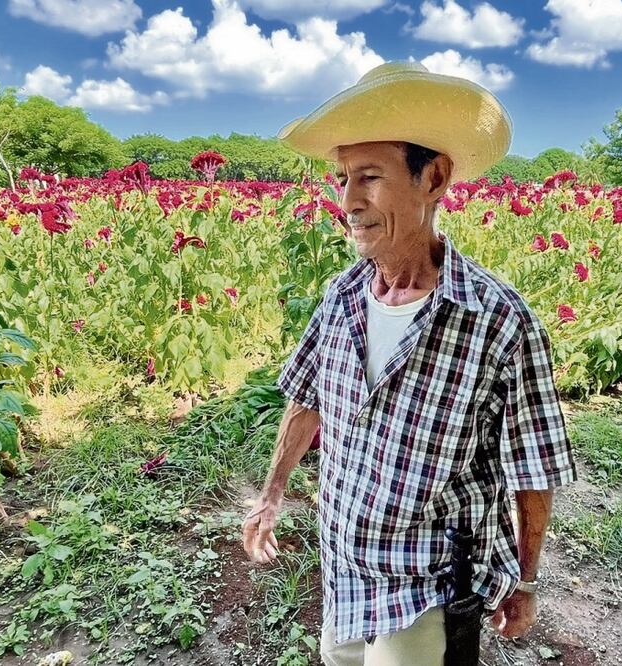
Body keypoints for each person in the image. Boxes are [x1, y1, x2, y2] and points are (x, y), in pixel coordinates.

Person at [242, 60, 578, 665]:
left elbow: (533, 466)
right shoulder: (342, 296)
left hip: (430, 578)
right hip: (343, 559)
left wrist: (526, 581)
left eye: (369, 176)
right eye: (342, 178)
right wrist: (270, 497)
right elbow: (306, 399)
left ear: (435, 178)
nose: (348, 200)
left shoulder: (496, 319)